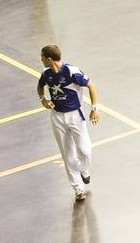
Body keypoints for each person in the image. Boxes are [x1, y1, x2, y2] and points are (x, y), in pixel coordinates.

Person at [37, 44, 99, 202]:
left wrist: (94, 108)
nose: (41, 60)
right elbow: (40, 86)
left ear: (49, 59)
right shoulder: (46, 73)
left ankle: (84, 170)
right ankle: (78, 188)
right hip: (57, 117)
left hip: (75, 117)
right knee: (67, 154)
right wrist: (43, 99)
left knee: (85, 151)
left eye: (42, 57)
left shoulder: (72, 71)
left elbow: (91, 85)